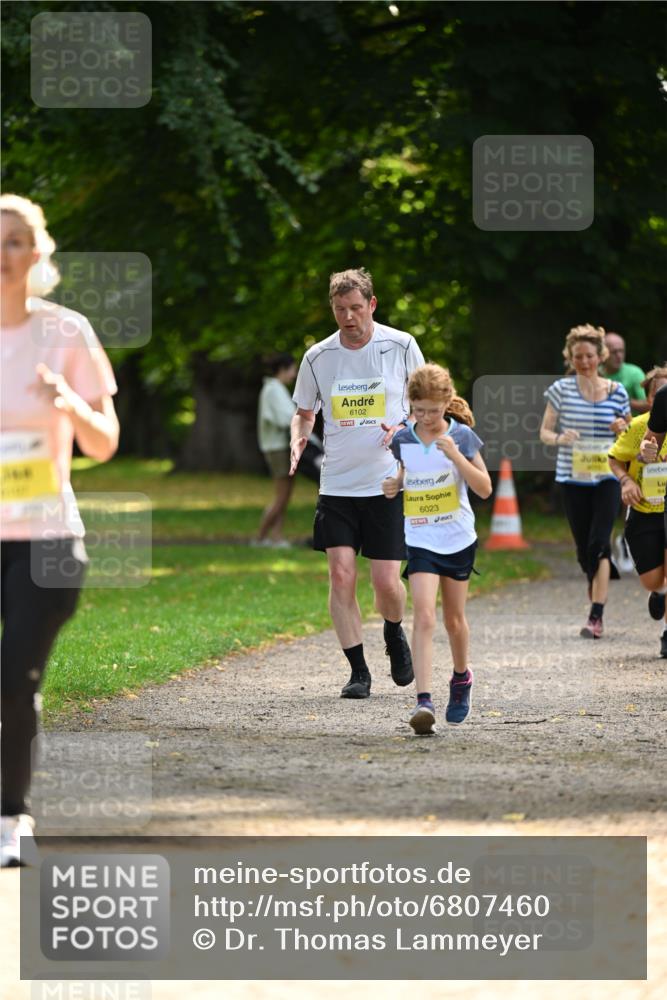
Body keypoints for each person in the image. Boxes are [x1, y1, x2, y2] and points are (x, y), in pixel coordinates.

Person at [1, 195, 119, 866]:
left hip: (45, 538)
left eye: (17, 241)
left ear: (39, 253)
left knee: (14, 679)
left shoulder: (66, 332)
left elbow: (104, 443)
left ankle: (11, 818)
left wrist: (67, 401)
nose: (4, 253)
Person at [290, 268, 424, 698]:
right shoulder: (318, 357)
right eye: (339, 309)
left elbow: (426, 402)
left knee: (386, 583)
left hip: (386, 483)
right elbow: (305, 412)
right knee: (341, 575)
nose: (348, 317)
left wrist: (403, 425)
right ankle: (358, 671)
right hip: (338, 484)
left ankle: (393, 632)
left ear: (372, 305)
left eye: (355, 308)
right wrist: (297, 438)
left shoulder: (401, 346)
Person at [383, 364, 491, 734]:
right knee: (425, 616)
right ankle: (423, 701)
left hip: (457, 537)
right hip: (420, 537)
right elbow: (405, 473)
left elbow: (485, 489)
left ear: (447, 402)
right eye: (419, 410)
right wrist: (394, 483)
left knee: (453, 620)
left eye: (433, 409)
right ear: (411, 404)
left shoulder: (462, 437)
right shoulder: (403, 438)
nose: (426, 418)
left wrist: (456, 456)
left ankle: (461, 678)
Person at [540, 324, 631, 639]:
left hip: (607, 476)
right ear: (570, 357)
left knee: (599, 543)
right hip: (572, 477)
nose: (584, 362)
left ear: (600, 356)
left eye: (590, 356)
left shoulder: (617, 391)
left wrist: (622, 427)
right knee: (584, 551)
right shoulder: (560, 390)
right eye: (578, 356)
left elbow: (629, 432)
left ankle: (596, 615)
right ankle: (598, 586)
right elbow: (545, 432)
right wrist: (560, 437)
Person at [609, 366, 667, 657]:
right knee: (652, 579)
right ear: (650, 398)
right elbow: (615, 459)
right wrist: (626, 480)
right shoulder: (638, 427)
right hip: (644, 511)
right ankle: (659, 592)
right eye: (660, 394)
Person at [255, 353, 298, 548]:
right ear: (283, 368)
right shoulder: (273, 390)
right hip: (277, 447)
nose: (294, 374)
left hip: (281, 447)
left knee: (285, 495)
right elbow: (283, 418)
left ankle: (276, 536)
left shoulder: (276, 389)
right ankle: (261, 537)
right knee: (281, 495)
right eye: (292, 369)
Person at [601, 332, 648, 414]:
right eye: (614, 352)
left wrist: (623, 399)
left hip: (631, 424)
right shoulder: (596, 373)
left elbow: (648, 405)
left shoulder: (635, 373)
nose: (619, 356)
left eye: (621, 351)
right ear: (603, 353)